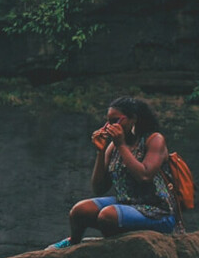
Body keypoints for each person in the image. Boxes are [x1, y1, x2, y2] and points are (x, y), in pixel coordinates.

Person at [49, 96, 180, 248]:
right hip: (127, 204)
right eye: (108, 122)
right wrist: (101, 151)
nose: (108, 127)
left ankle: (113, 246)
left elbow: (144, 176)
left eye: (115, 121)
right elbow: (99, 188)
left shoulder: (154, 140)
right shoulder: (113, 147)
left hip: (157, 212)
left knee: (108, 216)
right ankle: (74, 243)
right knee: (80, 210)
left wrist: (121, 145)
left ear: (133, 120)